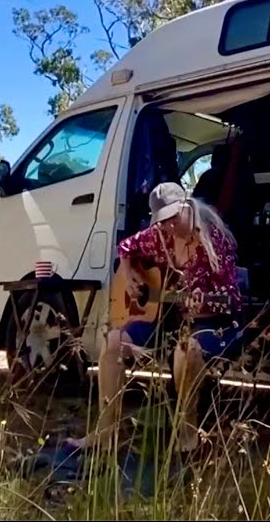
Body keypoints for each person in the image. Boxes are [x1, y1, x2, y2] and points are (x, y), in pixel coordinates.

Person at [68, 181, 243, 453]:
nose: (168, 227)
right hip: (167, 320)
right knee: (112, 341)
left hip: (211, 323)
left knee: (187, 350)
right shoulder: (159, 235)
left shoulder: (213, 240)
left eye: (173, 219)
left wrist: (203, 305)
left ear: (186, 206)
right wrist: (128, 275)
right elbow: (125, 247)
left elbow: (231, 300)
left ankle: (187, 437)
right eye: (162, 221)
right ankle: (105, 434)